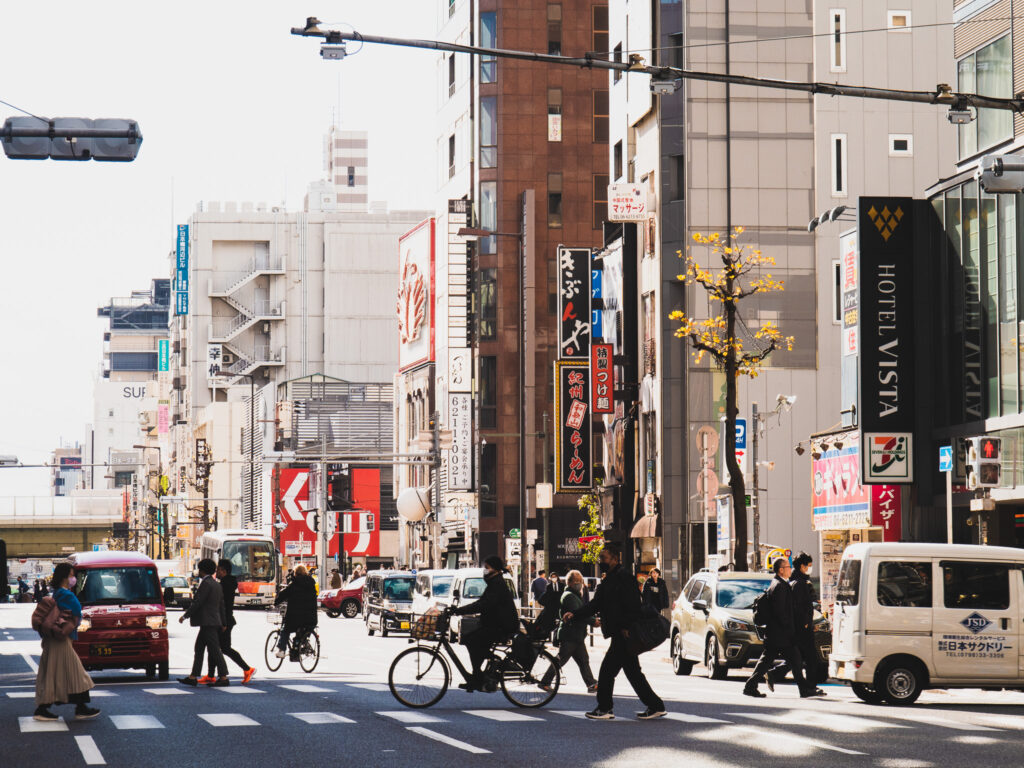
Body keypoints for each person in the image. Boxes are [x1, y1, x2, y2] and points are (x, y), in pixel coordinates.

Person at [564, 544, 666, 720]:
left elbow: (633, 604)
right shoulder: (610, 579)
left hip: (623, 633)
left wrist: (626, 626)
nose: (601, 561)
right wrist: (575, 614)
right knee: (633, 673)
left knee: (606, 672)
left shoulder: (624, 578)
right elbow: (596, 604)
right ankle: (655, 705)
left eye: (604, 558)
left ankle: (605, 708)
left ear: (614, 559)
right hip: (620, 632)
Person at [744, 558, 821, 699]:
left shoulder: (779, 584)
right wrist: (789, 628)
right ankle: (752, 685)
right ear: (780, 570)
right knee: (793, 660)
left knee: (786, 660)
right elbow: (780, 612)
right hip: (781, 634)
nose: (789, 569)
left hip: (777, 633)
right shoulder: (779, 586)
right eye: (787, 566)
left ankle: (751, 685)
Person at [33, 563, 100, 721]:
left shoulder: (57, 592)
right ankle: (78, 708)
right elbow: (76, 612)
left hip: (55, 639)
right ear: (65, 577)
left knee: (56, 673)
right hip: (60, 641)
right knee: (76, 672)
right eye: (71, 575)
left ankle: (53, 708)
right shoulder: (66, 594)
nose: (73, 579)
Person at [452, 555, 519, 692]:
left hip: (502, 626)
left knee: (472, 641)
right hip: (496, 624)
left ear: (495, 569)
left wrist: (459, 611)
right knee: (472, 640)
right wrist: (460, 610)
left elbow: (484, 604)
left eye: (487, 568)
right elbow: (483, 603)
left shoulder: (497, 584)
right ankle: (478, 676)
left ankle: (483, 673)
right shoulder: (494, 583)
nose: (485, 570)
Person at [768, 552, 825, 695]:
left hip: (797, 627)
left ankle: (774, 674)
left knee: (797, 658)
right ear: (802, 566)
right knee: (810, 658)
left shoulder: (795, 580)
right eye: (809, 566)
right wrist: (806, 623)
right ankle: (810, 687)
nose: (810, 568)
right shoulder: (799, 582)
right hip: (802, 627)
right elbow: (800, 607)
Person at [539, 570, 597, 693]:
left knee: (583, 660)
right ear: (569, 582)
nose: (579, 584)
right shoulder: (570, 596)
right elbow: (579, 613)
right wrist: (593, 621)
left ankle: (591, 683)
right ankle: (545, 681)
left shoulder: (574, 595)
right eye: (577, 581)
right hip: (571, 634)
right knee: (561, 659)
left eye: (580, 581)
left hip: (576, 634)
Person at [199, 559, 255, 685]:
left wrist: (223, 622)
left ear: (223, 571)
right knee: (216, 648)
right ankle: (211, 675)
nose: (216, 572)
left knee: (222, 648)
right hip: (225, 619)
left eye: (218, 570)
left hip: (224, 620)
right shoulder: (226, 583)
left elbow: (223, 605)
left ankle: (247, 669)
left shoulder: (224, 585)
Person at [178, 558, 229, 687]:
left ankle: (223, 677)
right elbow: (221, 606)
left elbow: (198, 602)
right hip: (213, 621)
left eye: (199, 569)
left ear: (202, 570)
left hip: (208, 622)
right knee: (199, 648)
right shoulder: (216, 584)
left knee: (215, 650)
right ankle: (193, 676)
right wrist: (223, 622)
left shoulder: (206, 584)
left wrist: (185, 616)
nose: (198, 572)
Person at [274, 565, 318, 659]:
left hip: (296, 617)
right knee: (304, 630)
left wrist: (275, 602)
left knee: (285, 629)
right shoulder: (311, 583)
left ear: (295, 573)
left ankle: (281, 650)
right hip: (311, 618)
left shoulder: (294, 584)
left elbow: (283, 594)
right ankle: (302, 644)